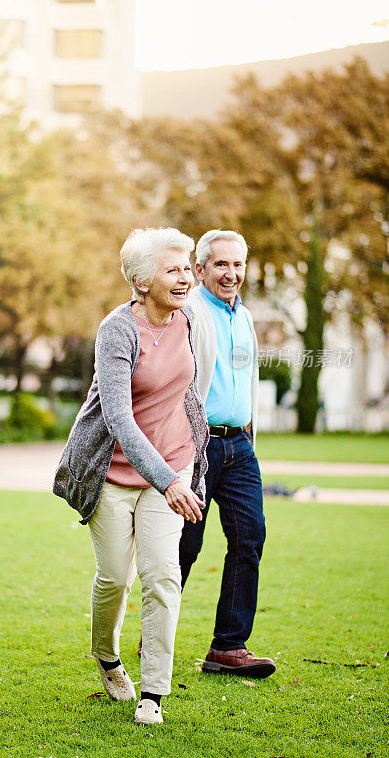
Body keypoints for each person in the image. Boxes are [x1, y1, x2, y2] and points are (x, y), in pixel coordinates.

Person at [53, 227, 209, 725]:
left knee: (164, 576)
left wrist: (185, 461)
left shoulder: (189, 321)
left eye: (187, 268)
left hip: (174, 464)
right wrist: (167, 480)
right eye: (173, 269)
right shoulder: (117, 329)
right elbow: (119, 418)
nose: (184, 277)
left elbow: (189, 388)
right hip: (113, 473)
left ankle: (154, 693)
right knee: (115, 578)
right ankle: (107, 656)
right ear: (142, 282)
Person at [179, 229, 276, 678]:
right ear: (200, 269)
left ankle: (229, 647)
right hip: (197, 445)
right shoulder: (188, 312)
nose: (231, 273)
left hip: (239, 444)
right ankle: (155, 630)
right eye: (221, 264)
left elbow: (246, 380)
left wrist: (250, 434)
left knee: (249, 538)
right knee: (184, 546)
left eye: (238, 265)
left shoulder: (246, 317)